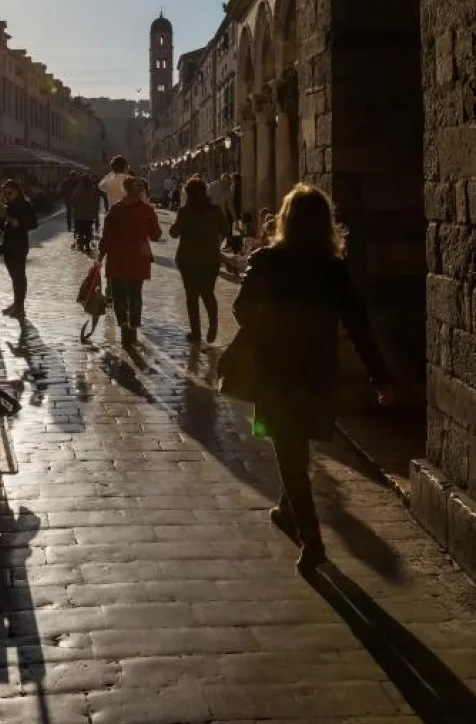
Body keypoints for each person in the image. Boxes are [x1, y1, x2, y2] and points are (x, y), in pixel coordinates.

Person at [229, 183, 394, 572]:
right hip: (320, 373)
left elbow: (241, 310)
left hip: (275, 372)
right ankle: (289, 512)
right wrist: (380, 376)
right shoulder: (333, 269)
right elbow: (358, 324)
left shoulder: (267, 261)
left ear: (285, 219)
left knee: (288, 451)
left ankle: (311, 537)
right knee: (296, 446)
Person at [98, 175, 161, 346]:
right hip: (137, 257)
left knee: (119, 294)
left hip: (117, 257)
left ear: (125, 190)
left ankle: (124, 326)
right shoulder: (146, 210)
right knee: (135, 294)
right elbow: (156, 235)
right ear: (140, 190)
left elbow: (106, 236)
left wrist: (100, 256)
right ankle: (133, 327)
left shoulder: (116, 209)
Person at [169, 176, 226, 344]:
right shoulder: (215, 210)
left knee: (192, 296)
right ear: (205, 191)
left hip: (188, 260)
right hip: (211, 258)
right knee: (208, 293)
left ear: (187, 193)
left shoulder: (184, 212)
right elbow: (225, 230)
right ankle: (213, 323)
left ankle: (196, 333)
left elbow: (173, 233)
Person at [0, 178, 38, 320]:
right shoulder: (8, 205)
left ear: (17, 191)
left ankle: (19, 306)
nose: (7, 195)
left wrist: (17, 222)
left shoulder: (24, 205)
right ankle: (16, 304)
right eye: (5, 193)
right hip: (7, 244)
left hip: (19, 244)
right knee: (14, 276)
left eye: (10, 192)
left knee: (19, 275)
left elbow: (33, 224)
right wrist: (1, 216)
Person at [71, 174, 100, 253]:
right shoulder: (93, 190)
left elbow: (73, 202)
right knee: (88, 231)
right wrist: (95, 213)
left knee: (80, 231)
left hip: (79, 215)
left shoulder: (77, 190)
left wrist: (75, 208)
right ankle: (87, 245)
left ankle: (81, 245)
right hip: (89, 215)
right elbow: (97, 203)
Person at [207, 173, 237, 244]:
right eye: (226, 183)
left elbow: (230, 205)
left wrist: (235, 220)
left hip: (222, 215)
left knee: (221, 235)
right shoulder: (212, 187)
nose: (228, 185)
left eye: (229, 183)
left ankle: (217, 250)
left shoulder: (228, 190)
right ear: (221, 181)